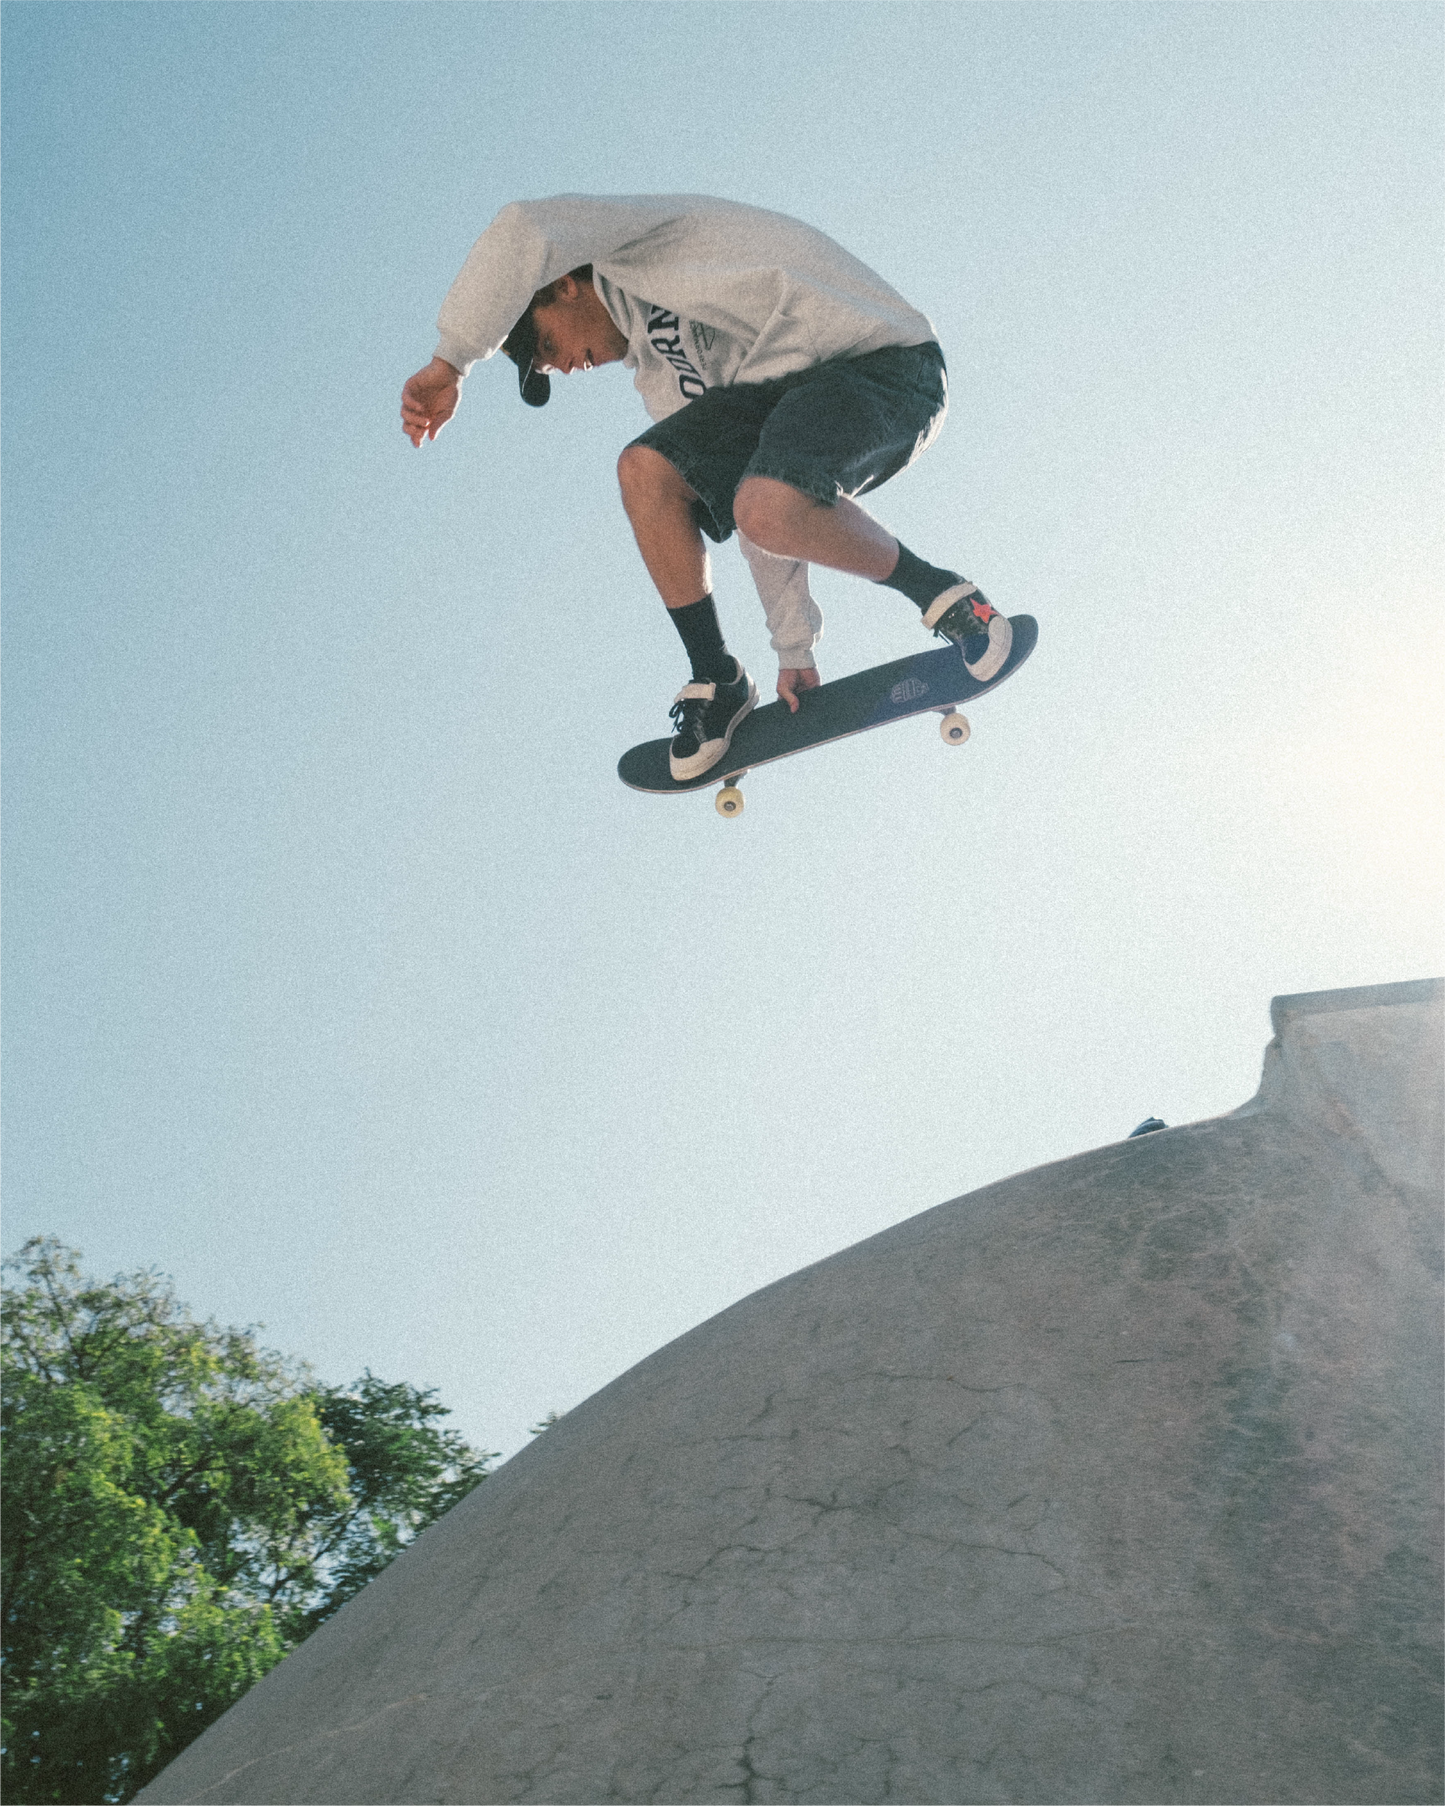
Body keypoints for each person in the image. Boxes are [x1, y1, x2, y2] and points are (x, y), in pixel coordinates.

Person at [401, 195, 1011, 780]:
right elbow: (761, 506)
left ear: (562, 284)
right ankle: (716, 677)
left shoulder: (636, 244)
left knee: (762, 498)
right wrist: (792, 647)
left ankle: (952, 599)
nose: (562, 367)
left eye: (548, 346)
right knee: (655, 473)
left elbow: (522, 228)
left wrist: (450, 362)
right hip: (785, 402)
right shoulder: (665, 383)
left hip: (885, 362)